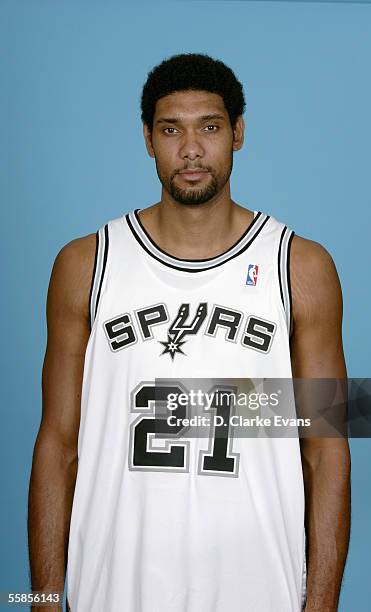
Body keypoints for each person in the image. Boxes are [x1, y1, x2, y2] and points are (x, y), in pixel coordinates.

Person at [28, 53, 351, 612]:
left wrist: (320, 606)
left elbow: (326, 450)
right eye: (171, 129)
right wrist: (42, 600)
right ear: (148, 139)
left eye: (210, 127)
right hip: (111, 591)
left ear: (238, 134)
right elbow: (58, 444)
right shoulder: (85, 264)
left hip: (261, 591)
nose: (192, 149)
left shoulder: (300, 267)